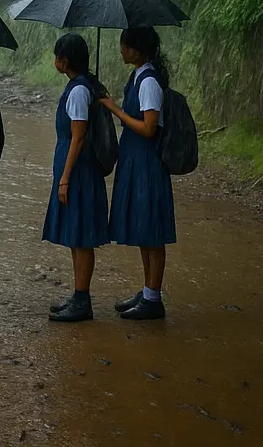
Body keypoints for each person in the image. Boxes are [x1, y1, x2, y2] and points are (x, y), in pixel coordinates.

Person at [101, 26, 176, 321]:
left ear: (136, 50)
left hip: (147, 162)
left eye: (124, 46)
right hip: (136, 159)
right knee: (145, 229)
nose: (121, 50)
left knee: (153, 231)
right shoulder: (138, 77)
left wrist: (116, 111)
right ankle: (148, 291)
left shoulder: (149, 82)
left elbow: (148, 128)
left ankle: (153, 297)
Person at [42, 33, 110, 322]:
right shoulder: (78, 87)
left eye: (57, 56)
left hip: (79, 171)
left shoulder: (79, 92)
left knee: (81, 236)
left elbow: (78, 138)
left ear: (65, 60)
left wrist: (65, 178)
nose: (55, 61)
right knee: (75, 234)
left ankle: (83, 300)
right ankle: (78, 295)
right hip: (74, 169)